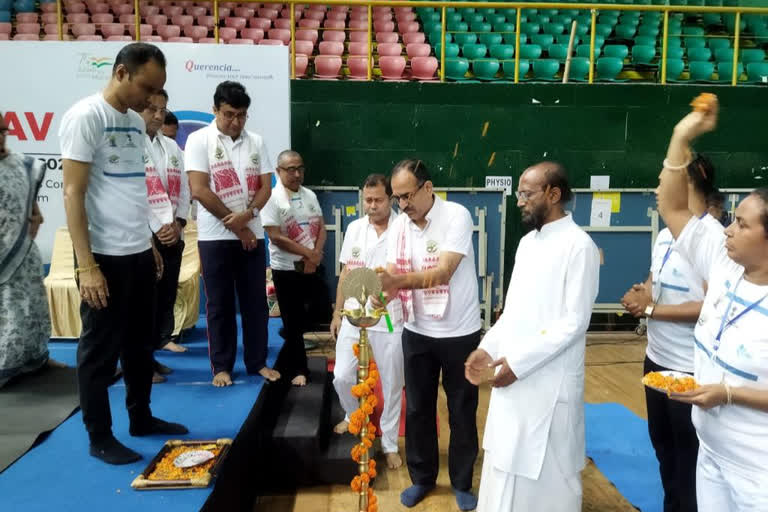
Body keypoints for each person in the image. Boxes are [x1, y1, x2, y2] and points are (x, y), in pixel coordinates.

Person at [59, 43, 188, 465]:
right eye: (147, 87)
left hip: (137, 251)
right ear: (120, 73)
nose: (152, 100)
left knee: (138, 346)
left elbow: (135, 190)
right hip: (103, 256)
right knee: (98, 352)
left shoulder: (134, 124)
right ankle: (99, 435)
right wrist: (87, 265)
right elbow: (73, 193)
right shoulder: (86, 117)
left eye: (158, 91)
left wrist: (148, 242)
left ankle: (141, 417)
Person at [465, 162, 600, 512]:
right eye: (519, 194)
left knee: (548, 480)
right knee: (503, 465)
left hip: (549, 383)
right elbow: (513, 312)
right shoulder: (526, 243)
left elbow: (575, 322)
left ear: (553, 194)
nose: (520, 201)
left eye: (526, 194)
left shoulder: (579, 246)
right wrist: (486, 349)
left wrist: (519, 364)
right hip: (511, 377)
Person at [657, 97, 768, 511]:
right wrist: (681, 135)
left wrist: (728, 393)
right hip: (713, 454)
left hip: (759, 470)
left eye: (741, 224)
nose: (728, 231)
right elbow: (671, 205)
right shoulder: (724, 263)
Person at [376, 159, 482, 511]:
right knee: (419, 409)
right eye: (397, 198)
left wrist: (397, 282)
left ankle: (462, 482)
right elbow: (391, 270)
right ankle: (422, 479)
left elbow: (443, 273)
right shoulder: (399, 227)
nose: (402, 204)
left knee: (462, 410)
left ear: (428, 188)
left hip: (460, 333)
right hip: (416, 330)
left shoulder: (456, 216)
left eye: (407, 196)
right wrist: (381, 288)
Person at [621, 154, 722, 512]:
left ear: (690, 184)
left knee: (689, 459)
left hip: (690, 368)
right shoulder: (665, 235)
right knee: (663, 450)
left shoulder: (712, 237)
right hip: (657, 359)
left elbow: (714, 305)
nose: (656, 190)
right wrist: (642, 294)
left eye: (665, 183)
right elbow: (656, 280)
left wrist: (653, 310)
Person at [186, 81, 279, 387]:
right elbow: (199, 190)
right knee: (219, 305)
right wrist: (239, 227)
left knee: (255, 303)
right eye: (228, 114)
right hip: (216, 238)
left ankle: (257, 362)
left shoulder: (257, 142)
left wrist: (249, 216)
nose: (235, 121)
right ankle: (222, 366)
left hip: (252, 233)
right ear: (215, 110)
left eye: (241, 115)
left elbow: (266, 187)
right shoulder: (199, 141)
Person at [330, 174, 405, 470]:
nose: (371, 206)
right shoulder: (355, 228)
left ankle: (388, 443)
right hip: (354, 313)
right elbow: (346, 272)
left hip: (388, 317)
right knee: (342, 376)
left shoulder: (403, 228)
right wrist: (337, 312)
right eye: (367, 200)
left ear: (390, 199)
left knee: (392, 381)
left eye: (378, 200)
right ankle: (352, 415)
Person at [0, 112, 60, 388]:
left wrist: (35, 216)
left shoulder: (21, 165)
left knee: (31, 308)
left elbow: (32, 207)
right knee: (7, 312)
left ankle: (36, 359)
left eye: (4, 131)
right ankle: (6, 368)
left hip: (23, 253)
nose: (2, 138)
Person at [261, 150, 331, 387]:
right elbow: (275, 236)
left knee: (320, 309)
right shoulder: (271, 198)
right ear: (279, 171)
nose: (296, 173)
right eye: (290, 169)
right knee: (292, 320)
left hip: (311, 265)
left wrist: (316, 255)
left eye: (299, 168)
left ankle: (294, 343)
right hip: (286, 268)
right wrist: (307, 254)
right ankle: (298, 369)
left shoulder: (310, 194)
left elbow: (321, 227)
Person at [139, 89, 190, 384]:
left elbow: (183, 190)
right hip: (144, 237)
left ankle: (153, 355)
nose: (158, 115)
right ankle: (140, 361)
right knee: (143, 303)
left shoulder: (172, 148)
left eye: (162, 110)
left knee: (164, 297)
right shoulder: (130, 145)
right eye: (152, 109)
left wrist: (179, 223)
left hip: (172, 234)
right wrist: (152, 229)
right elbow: (133, 195)